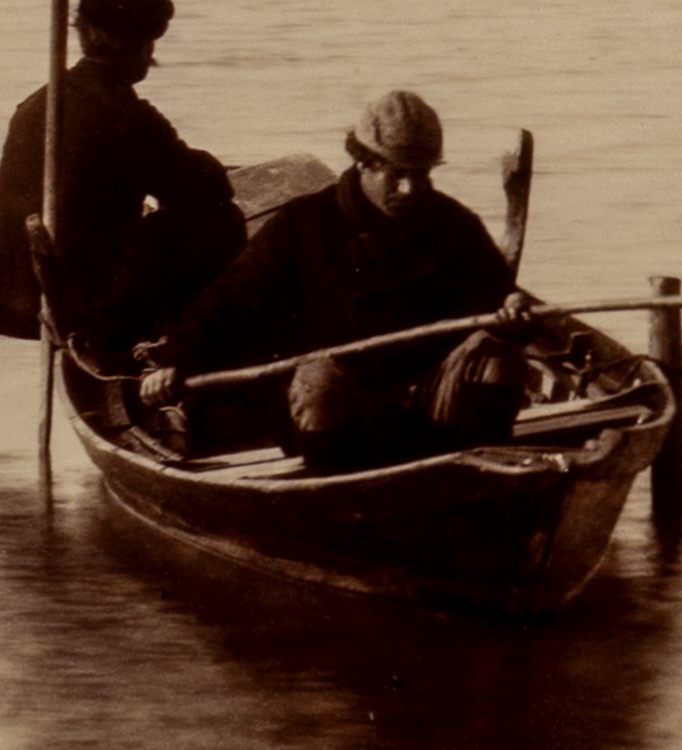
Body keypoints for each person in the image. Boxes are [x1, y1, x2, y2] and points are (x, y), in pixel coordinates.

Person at [141, 90, 526, 469]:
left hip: (426, 403)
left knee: (496, 355)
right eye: (397, 174)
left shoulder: (454, 224)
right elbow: (229, 300)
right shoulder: (303, 224)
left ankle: (474, 482)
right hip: (339, 413)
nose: (409, 189)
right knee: (318, 379)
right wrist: (176, 359)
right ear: (364, 163)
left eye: (420, 174)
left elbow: (494, 296)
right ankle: (339, 500)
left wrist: (511, 312)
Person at [0, 0, 247, 356]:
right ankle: (152, 340)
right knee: (220, 220)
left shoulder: (37, 104)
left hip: (17, 299)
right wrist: (210, 167)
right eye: (147, 42)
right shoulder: (125, 113)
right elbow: (207, 188)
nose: (150, 54)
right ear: (125, 43)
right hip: (74, 301)